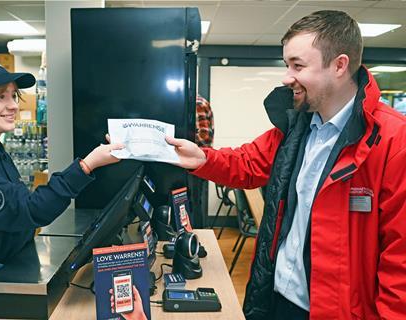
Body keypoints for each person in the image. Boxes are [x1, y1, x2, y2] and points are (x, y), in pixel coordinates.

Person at [166, 10, 406, 320]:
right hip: (277, 300)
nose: (286, 77)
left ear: (339, 65)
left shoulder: (394, 141)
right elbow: (247, 163)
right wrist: (201, 158)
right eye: (286, 64)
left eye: (298, 65)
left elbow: (400, 262)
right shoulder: (297, 126)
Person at [0, 56, 123, 320]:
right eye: (0, 97)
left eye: (13, 96)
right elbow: (29, 210)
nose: (12, 105)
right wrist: (87, 165)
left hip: (6, 276)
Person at [188, 94, 215, 228]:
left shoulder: (197, 103)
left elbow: (204, 138)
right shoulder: (197, 102)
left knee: (194, 204)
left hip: (196, 164)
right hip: (197, 163)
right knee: (194, 203)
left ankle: (198, 238)